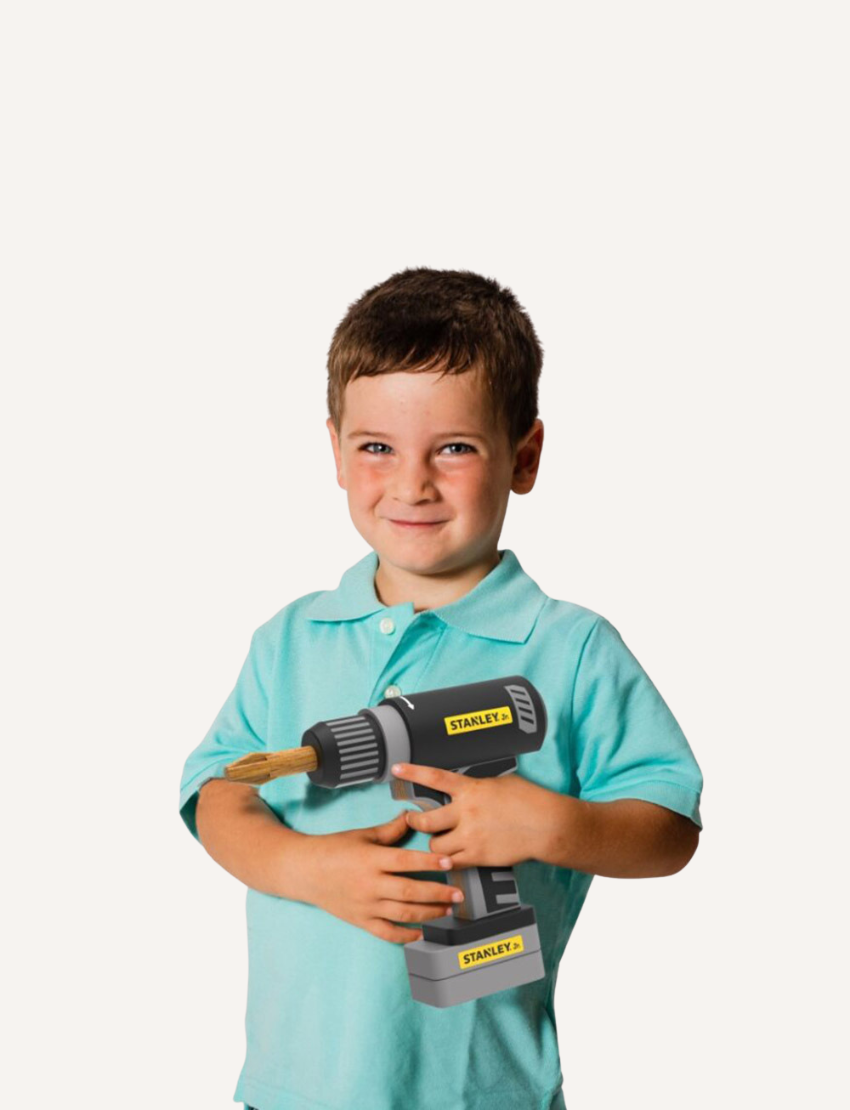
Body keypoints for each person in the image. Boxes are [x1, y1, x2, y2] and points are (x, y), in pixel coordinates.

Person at [179, 267, 703, 1110]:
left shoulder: (569, 650)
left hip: (480, 1091)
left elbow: (669, 828)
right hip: (293, 1090)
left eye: (454, 448)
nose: (412, 483)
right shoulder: (290, 640)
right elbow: (216, 791)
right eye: (376, 447)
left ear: (523, 456)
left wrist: (551, 822)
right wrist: (307, 869)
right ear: (336, 453)